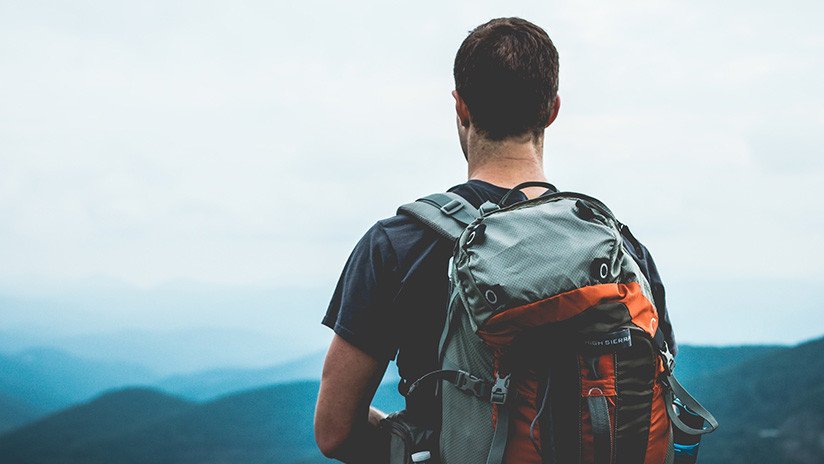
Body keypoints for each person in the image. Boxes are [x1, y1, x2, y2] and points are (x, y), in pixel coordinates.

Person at [314, 17, 675, 463]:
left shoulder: (397, 245)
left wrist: (418, 442)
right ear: (552, 110)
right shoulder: (621, 248)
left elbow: (335, 432)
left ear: (461, 107)